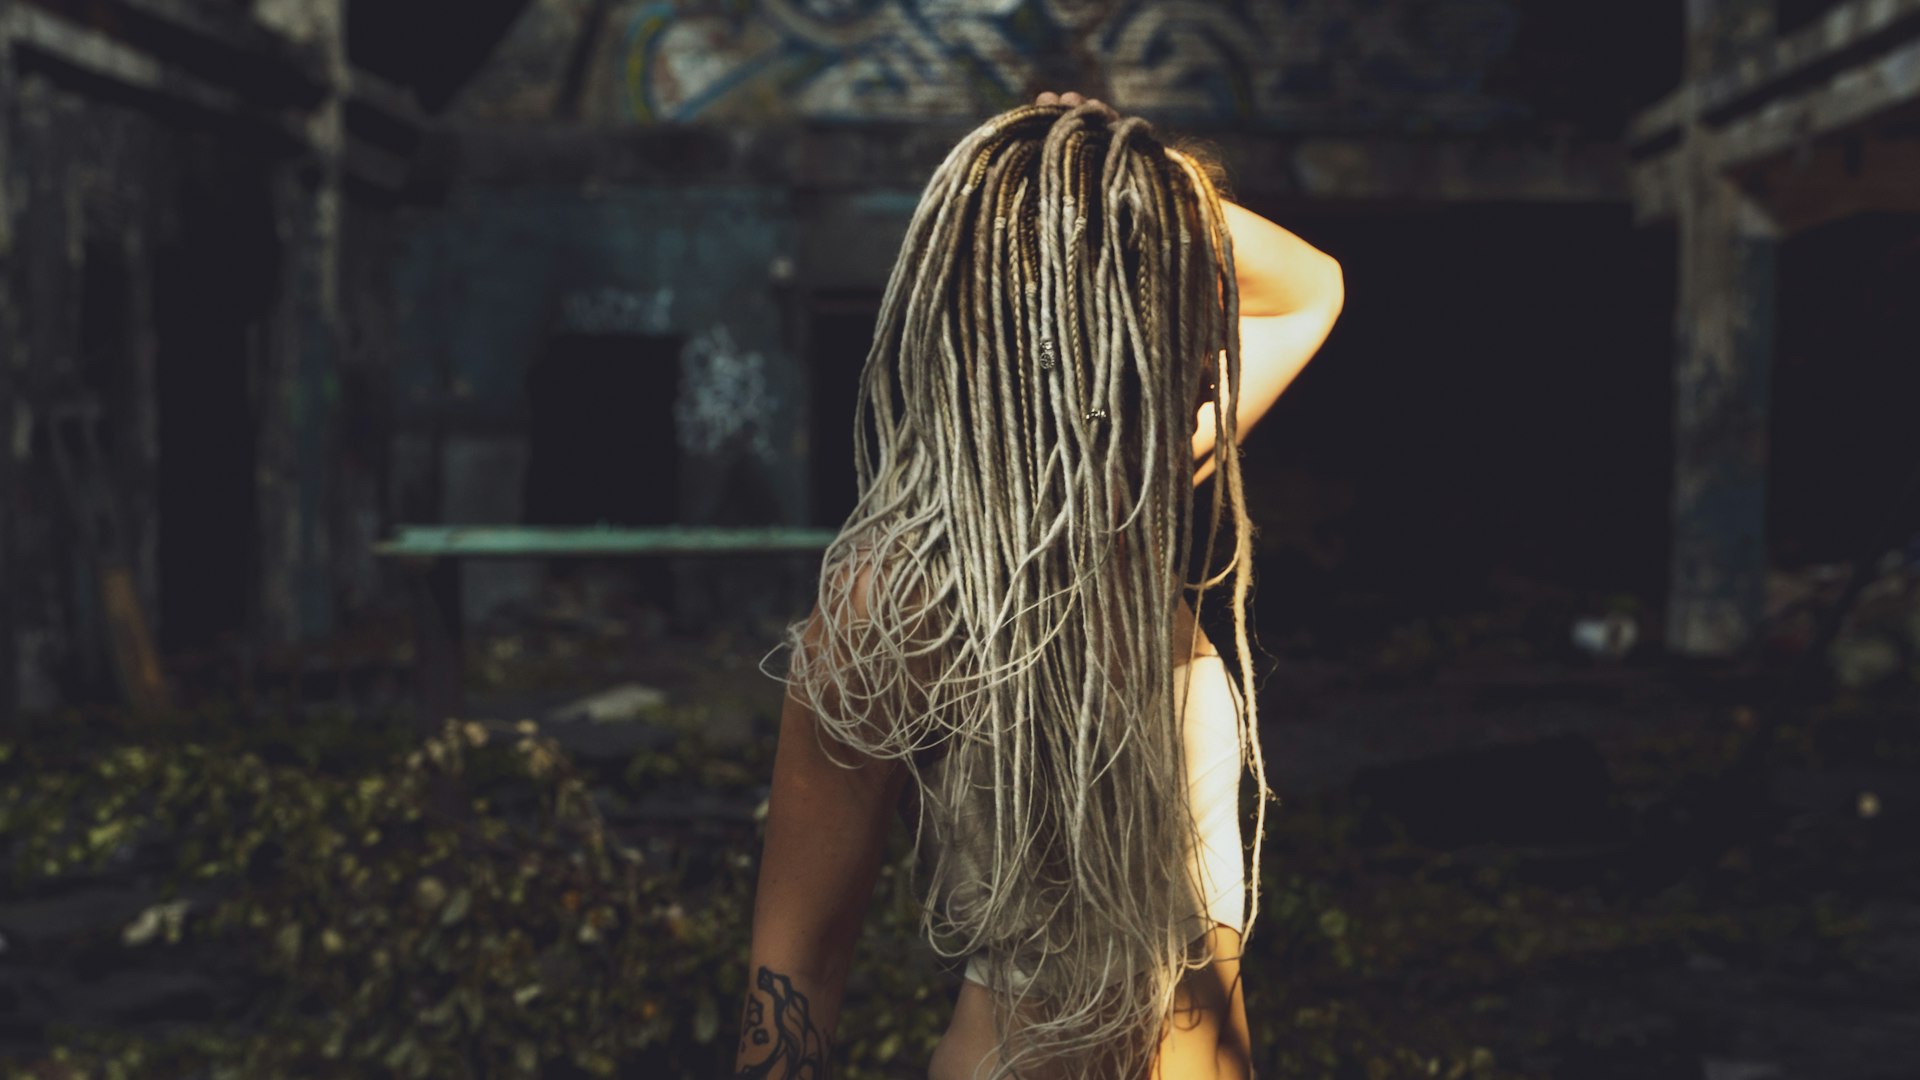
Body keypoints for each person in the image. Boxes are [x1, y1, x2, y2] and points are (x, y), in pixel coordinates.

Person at [733, 91, 1344, 1080]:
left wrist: (1123, 173)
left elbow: (1311, 288)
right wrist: (1084, 194)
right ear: (1080, 343)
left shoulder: (1129, 503)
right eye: (1177, 324)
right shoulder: (896, 600)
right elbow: (799, 964)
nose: (1214, 361)